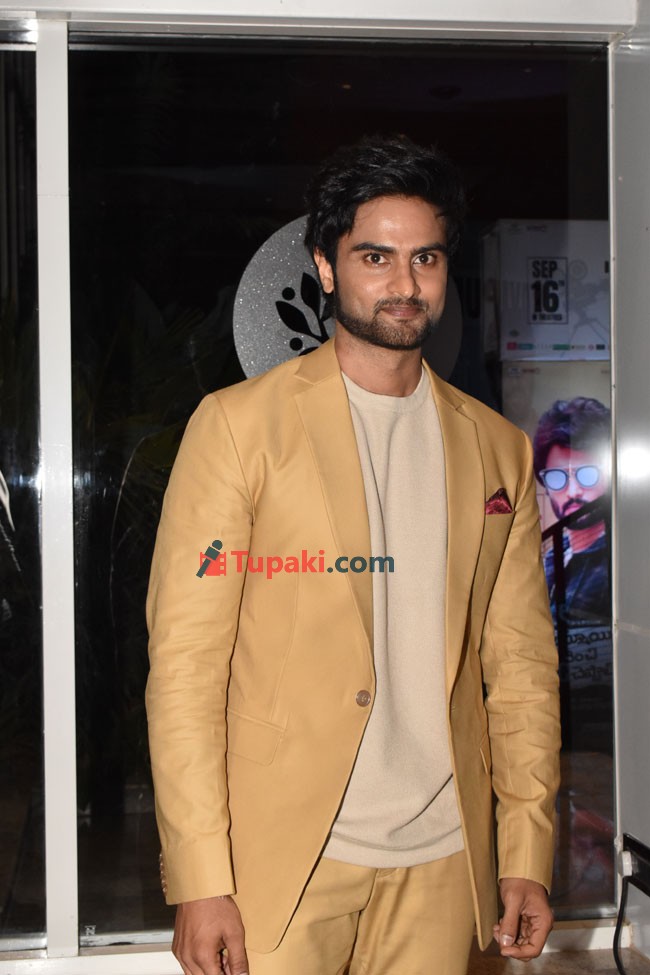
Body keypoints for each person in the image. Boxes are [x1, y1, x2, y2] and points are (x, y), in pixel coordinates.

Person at [146, 136, 561, 975]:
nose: (404, 283)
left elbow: (520, 665)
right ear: (325, 268)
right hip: (282, 860)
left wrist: (525, 850)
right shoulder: (238, 428)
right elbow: (187, 666)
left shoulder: (499, 450)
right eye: (376, 256)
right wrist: (199, 875)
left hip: (443, 859)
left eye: (425, 258)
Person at [533, 397, 611, 625]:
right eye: (558, 477)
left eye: (587, 474)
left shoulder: (617, 560)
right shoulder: (556, 553)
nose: (573, 491)